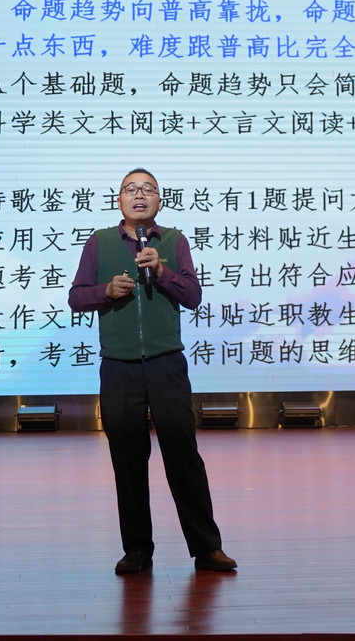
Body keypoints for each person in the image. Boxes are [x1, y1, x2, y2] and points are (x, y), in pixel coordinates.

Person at [68, 168, 236, 575]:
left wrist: (161, 272)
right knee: (127, 460)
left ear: (159, 200)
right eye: (131, 189)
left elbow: (193, 296)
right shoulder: (99, 242)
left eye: (148, 189)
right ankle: (138, 548)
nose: (139, 195)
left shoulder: (174, 241)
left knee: (183, 455)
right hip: (119, 366)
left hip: (166, 363)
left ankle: (207, 548)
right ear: (119, 200)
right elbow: (76, 297)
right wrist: (105, 291)